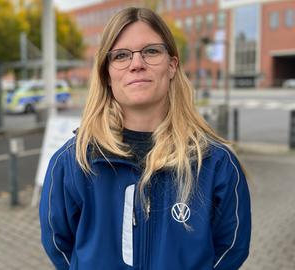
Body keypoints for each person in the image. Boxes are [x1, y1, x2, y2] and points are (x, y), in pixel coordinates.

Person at [39, 7, 251, 270]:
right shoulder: (74, 161)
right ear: (106, 74)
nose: (136, 64)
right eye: (121, 55)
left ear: (172, 65)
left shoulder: (215, 162)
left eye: (150, 51)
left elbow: (231, 247)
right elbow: (59, 245)